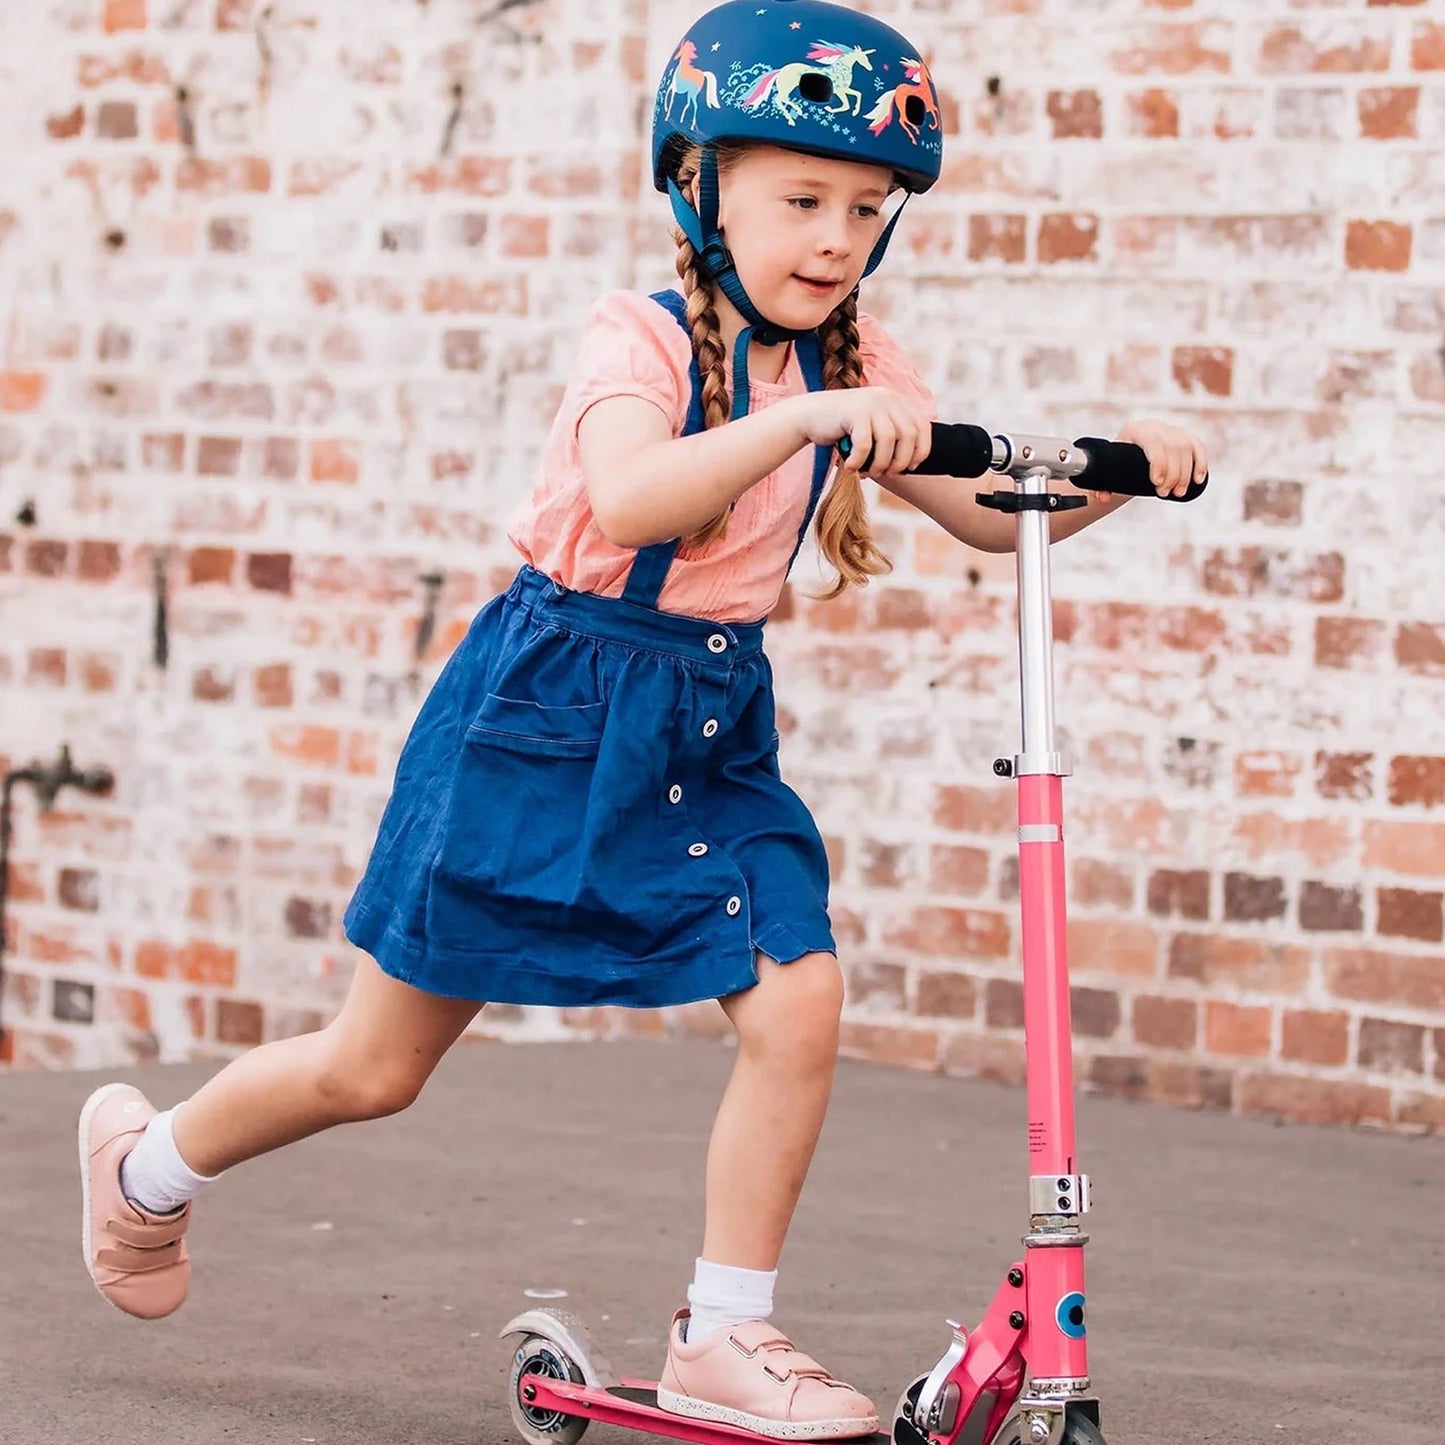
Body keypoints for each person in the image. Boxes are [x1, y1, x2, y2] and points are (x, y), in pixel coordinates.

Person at [78, 1, 1207, 1437]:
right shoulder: (645, 339)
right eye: (800, 198)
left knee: (797, 989)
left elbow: (987, 516)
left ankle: (723, 1332)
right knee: (374, 1065)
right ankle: (146, 1168)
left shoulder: (849, 366)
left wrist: (1116, 469)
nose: (833, 239)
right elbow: (629, 497)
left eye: (865, 212)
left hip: (708, 721)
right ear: (699, 185)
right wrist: (796, 427)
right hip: (546, 706)